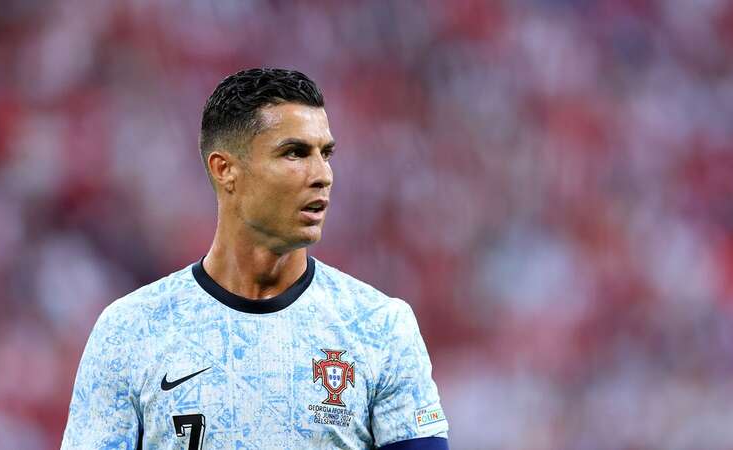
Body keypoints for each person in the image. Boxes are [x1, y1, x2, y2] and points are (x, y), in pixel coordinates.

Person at [60, 68, 449, 450]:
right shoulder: (131, 332)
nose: (322, 175)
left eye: (325, 153)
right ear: (225, 169)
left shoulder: (378, 327)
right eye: (295, 153)